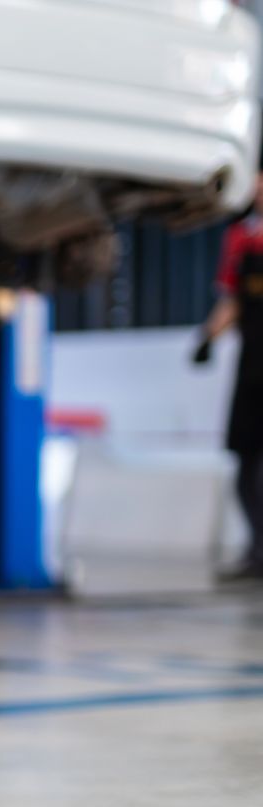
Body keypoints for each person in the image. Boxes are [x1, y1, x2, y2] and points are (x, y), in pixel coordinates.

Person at [195, 173, 263, 581]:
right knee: (246, 465)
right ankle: (258, 552)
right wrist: (206, 339)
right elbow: (231, 302)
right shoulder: (240, 238)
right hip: (253, 367)